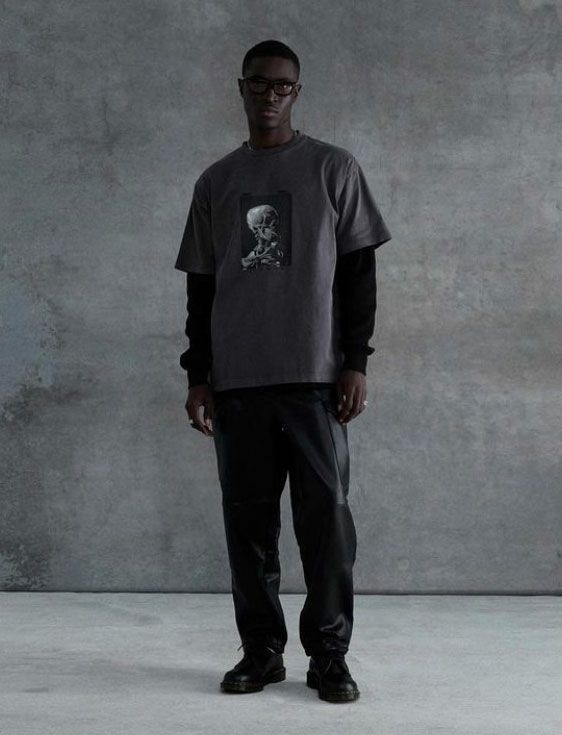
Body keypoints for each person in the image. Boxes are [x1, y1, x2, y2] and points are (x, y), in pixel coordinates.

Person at [174, 39, 392, 703]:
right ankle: (261, 652)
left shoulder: (332, 168)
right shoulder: (216, 182)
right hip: (238, 380)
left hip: (313, 377)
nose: (270, 95)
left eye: (283, 86)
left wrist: (355, 361)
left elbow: (358, 274)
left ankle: (329, 656)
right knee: (248, 528)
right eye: (259, 83)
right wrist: (198, 374)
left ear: (296, 92)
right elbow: (201, 288)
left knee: (327, 524)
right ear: (240, 87)